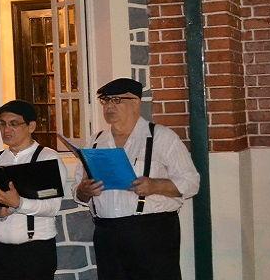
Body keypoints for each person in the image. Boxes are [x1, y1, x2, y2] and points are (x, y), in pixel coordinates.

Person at [74, 78, 199, 280]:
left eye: (116, 100)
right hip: (107, 233)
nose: (109, 106)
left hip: (152, 232)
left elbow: (191, 182)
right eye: (105, 100)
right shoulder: (95, 141)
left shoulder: (161, 137)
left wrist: (155, 185)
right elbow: (78, 191)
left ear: (136, 102)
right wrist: (84, 190)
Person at [0, 100, 67, 280]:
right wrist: (0, 212)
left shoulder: (47, 158)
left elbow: (52, 207)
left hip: (35, 252)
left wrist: (18, 203)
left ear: (31, 126)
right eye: (2, 123)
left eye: (14, 124)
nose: (6, 129)